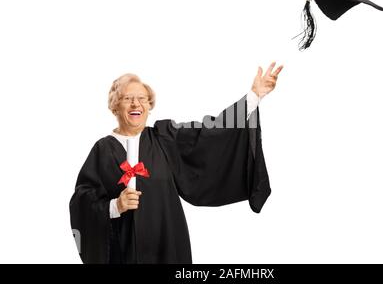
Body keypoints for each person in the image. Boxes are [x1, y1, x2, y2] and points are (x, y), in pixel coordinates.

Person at [69, 62, 283, 263]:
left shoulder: (165, 137)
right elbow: (82, 203)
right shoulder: (102, 150)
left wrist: (253, 97)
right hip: (123, 254)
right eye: (127, 98)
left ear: (149, 105)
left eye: (142, 99)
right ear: (116, 106)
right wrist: (115, 206)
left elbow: (209, 133)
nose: (136, 104)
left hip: (168, 248)